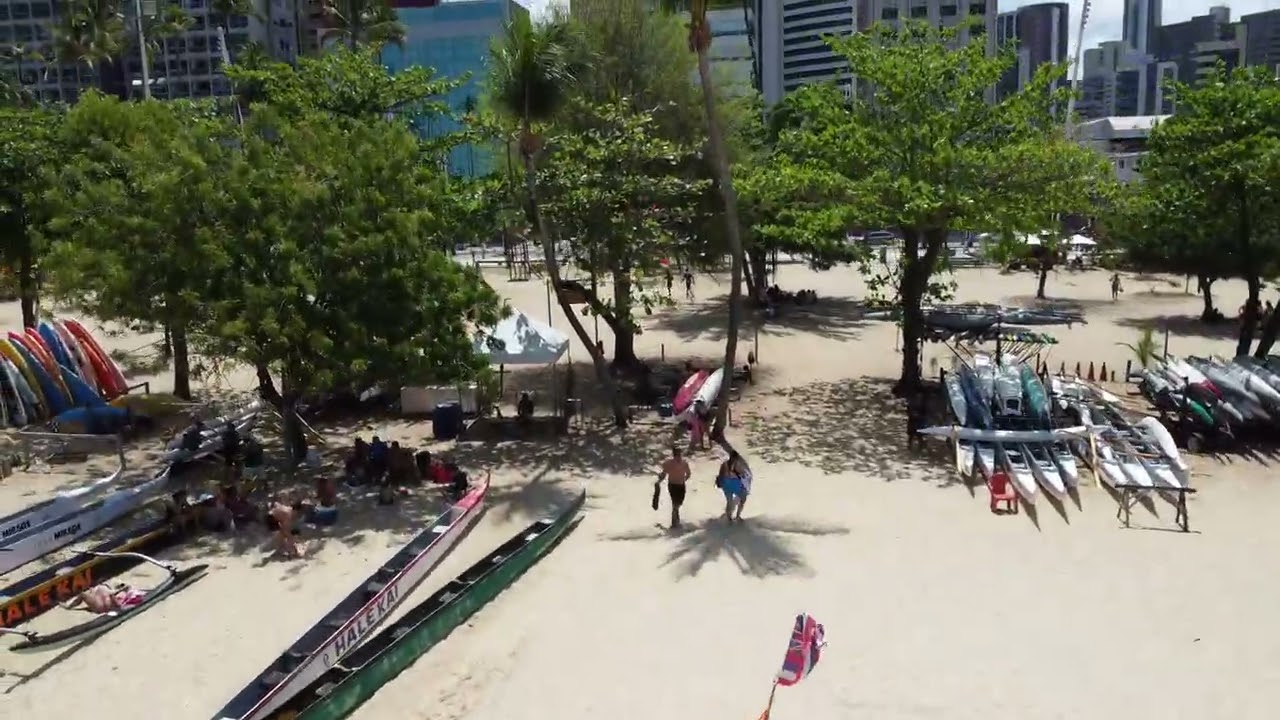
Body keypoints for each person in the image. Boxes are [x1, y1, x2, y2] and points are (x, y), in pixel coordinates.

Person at [657, 446, 692, 529]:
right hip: (672, 485)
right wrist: (659, 481)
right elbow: (664, 473)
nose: (679, 456)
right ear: (674, 455)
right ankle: (674, 522)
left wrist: (684, 479)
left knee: (679, 503)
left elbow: (688, 474)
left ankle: (676, 519)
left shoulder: (684, 463)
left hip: (681, 485)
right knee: (675, 504)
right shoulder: (668, 463)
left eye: (680, 454)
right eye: (677, 455)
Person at [62, 582, 146, 614]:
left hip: (102, 607)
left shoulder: (107, 590)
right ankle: (69, 606)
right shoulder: (108, 589)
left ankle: (69, 607)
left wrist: (114, 595)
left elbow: (118, 604)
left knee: (83, 595)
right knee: (88, 593)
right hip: (104, 606)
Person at [717, 450, 752, 523]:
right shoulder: (737, 464)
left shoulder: (724, 464)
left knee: (729, 501)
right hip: (735, 483)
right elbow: (742, 474)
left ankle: (729, 518)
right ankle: (738, 516)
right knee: (743, 498)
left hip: (725, 484)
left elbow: (720, 474)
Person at [269, 493, 302, 559]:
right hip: (271, 519)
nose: (298, 516)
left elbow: (277, 505)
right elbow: (285, 529)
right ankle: (289, 552)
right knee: (286, 535)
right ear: (296, 511)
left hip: (272, 516)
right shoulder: (289, 515)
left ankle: (281, 549)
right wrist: (292, 540)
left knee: (284, 534)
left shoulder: (289, 510)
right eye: (298, 513)